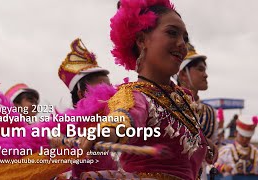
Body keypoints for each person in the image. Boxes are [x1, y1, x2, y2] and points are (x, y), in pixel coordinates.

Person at [80, 0, 217, 179]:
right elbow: (126, 117)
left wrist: (205, 144)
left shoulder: (183, 99)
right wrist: (107, 131)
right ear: (141, 40)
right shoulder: (135, 95)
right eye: (172, 33)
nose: (182, 44)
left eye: (185, 37)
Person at [57, 38, 117, 179]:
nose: (112, 91)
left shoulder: (118, 116)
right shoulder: (65, 129)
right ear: (82, 93)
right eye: (103, 86)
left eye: (110, 85)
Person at [177, 43, 218, 179]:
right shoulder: (165, 105)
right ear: (183, 74)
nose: (205, 75)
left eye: (205, 70)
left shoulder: (210, 112)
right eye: (200, 69)